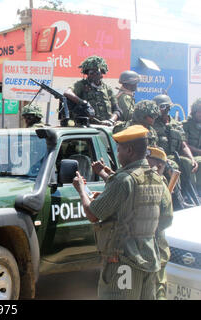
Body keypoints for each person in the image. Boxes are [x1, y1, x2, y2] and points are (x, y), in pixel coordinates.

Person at [72, 125, 171, 300]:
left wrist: (80, 189)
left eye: (119, 150)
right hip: (150, 260)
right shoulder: (156, 179)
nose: (118, 155)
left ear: (130, 150)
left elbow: (93, 213)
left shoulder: (124, 180)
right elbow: (165, 218)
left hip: (123, 263)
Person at [152, 94, 199, 199]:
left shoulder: (176, 124)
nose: (161, 110)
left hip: (175, 155)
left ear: (168, 107)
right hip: (160, 158)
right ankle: (177, 198)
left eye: (163, 107)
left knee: (188, 163)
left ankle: (192, 195)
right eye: (159, 108)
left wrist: (192, 159)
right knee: (173, 166)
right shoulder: (153, 125)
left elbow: (183, 145)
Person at [146, 146, 173, 300]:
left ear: (160, 166)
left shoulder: (160, 186)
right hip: (146, 250)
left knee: (157, 290)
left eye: (148, 162)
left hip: (156, 248)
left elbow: (167, 219)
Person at [64, 55, 121, 125]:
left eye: (97, 73)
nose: (94, 75)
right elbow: (67, 92)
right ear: (87, 74)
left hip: (107, 127)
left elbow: (117, 110)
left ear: (101, 74)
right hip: (88, 127)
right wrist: (83, 102)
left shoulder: (107, 89)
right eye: (91, 73)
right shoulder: (81, 85)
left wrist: (111, 121)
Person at [182, 98, 201, 196]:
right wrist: (198, 151)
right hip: (190, 155)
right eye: (199, 112)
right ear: (194, 112)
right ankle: (196, 193)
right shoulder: (186, 125)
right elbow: (184, 144)